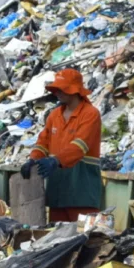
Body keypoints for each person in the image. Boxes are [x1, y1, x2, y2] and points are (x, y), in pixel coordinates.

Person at [20, 68, 102, 223]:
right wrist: (33, 160)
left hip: (82, 188)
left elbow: (80, 146)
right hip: (58, 188)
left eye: (62, 89)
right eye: (56, 89)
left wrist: (55, 161)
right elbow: (43, 142)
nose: (57, 92)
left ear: (75, 90)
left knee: (84, 237)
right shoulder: (54, 115)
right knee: (56, 236)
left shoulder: (91, 114)